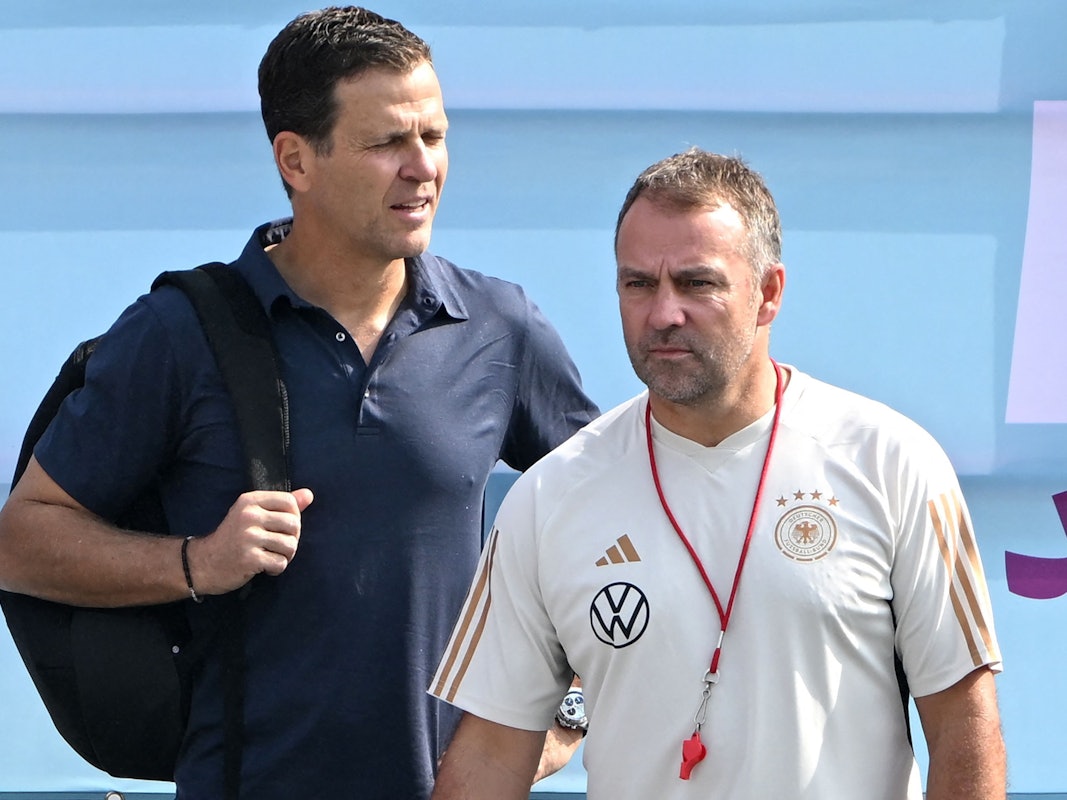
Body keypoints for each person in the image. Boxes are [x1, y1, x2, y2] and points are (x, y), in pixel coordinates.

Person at [0, 7, 596, 799]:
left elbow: (621, 520)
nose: (423, 168)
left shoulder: (497, 326)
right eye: (387, 142)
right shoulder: (179, 333)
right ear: (296, 160)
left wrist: (565, 719)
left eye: (435, 136)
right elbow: (22, 541)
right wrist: (197, 562)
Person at [429, 148, 1006, 799]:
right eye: (638, 283)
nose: (663, 313)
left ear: (767, 294)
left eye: (697, 283)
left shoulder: (892, 463)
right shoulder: (550, 495)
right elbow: (488, 753)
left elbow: (963, 721)